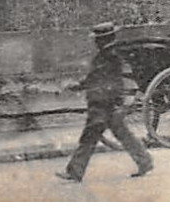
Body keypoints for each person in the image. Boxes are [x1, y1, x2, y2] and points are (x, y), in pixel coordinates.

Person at [58, 22, 154, 182]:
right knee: (121, 133)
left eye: (98, 39)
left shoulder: (108, 55)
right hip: (108, 101)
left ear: (103, 39)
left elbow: (95, 77)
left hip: (104, 102)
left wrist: (78, 86)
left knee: (90, 136)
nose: (96, 42)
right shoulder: (110, 53)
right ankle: (145, 161)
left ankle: (75, 171)